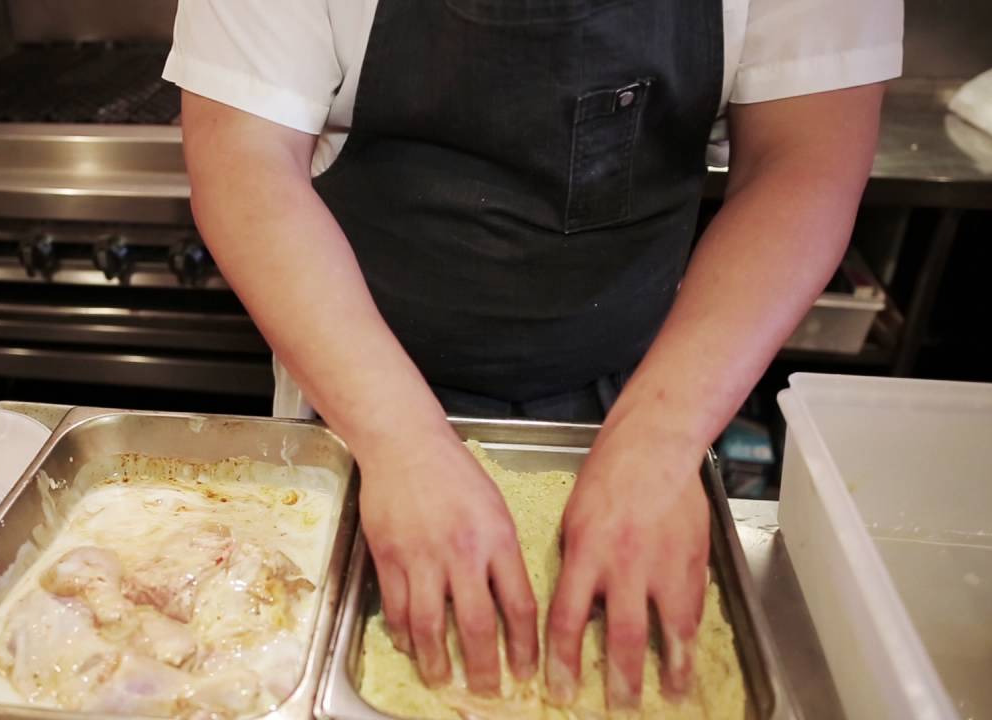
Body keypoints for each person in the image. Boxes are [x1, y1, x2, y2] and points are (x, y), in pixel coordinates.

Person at [165, 0, 901, 708]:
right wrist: (401, 441)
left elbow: (804, 160)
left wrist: (661, 440)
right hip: (352, 385)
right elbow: (243, 158)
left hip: (653, 382)